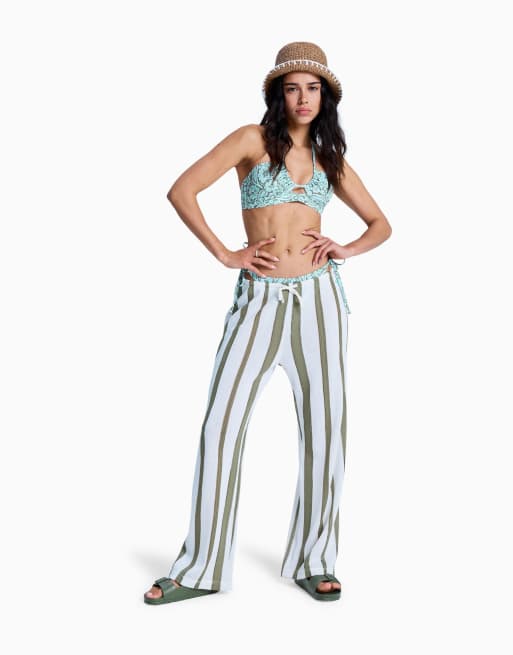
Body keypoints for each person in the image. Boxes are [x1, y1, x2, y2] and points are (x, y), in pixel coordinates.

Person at [144, 41, 392, 605]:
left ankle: (314, 560)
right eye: (292, 87)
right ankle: (200, 568)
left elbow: (381, 223)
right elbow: (182, 190)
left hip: (321, 300)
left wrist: (345, 248)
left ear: (325, 97)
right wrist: (225, 253)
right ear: (279, 94)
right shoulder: (251, 140)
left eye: (313, 88)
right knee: (221, 426)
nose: (303, 97)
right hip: (258, 298)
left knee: (326, 428)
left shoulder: (330, 158)